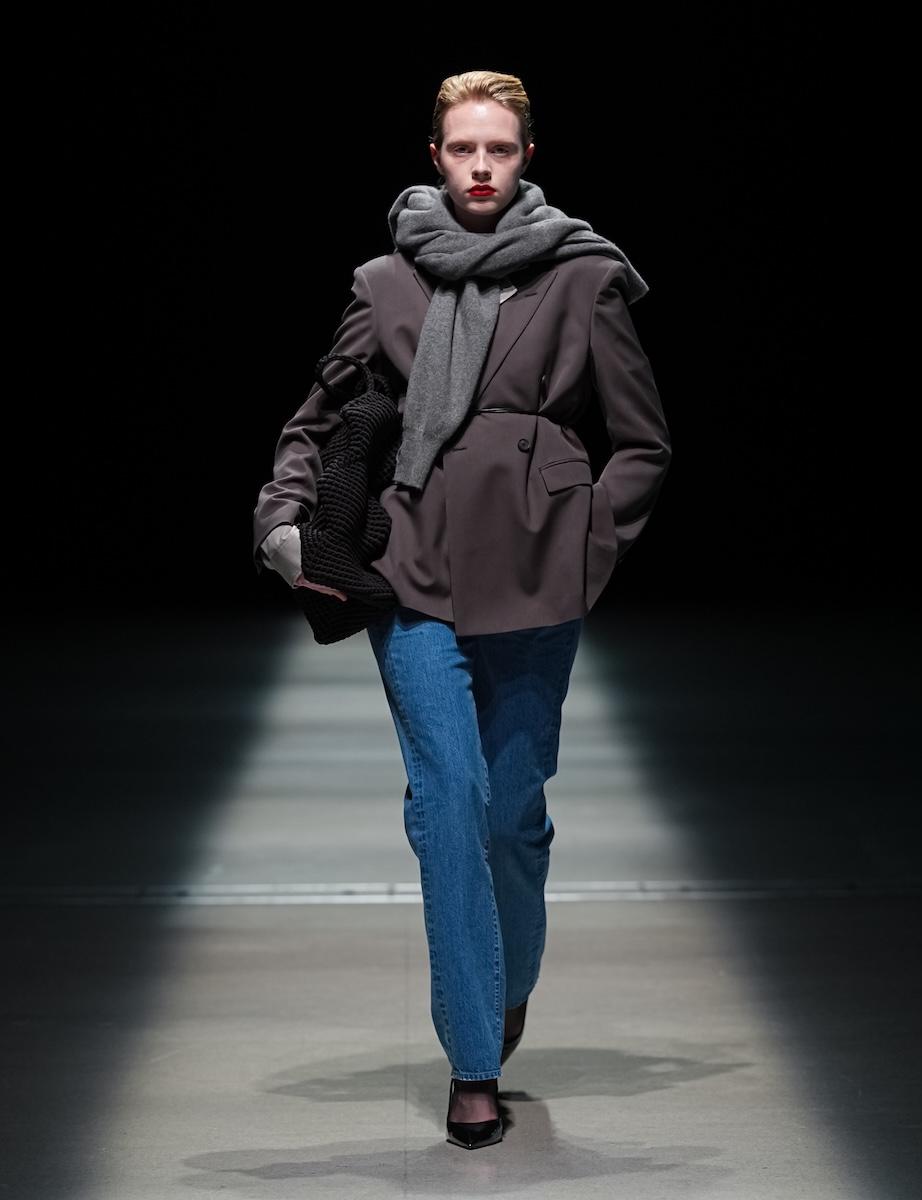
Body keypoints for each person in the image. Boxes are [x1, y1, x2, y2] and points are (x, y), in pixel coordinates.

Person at [252, 70, 672, 1149]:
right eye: (463, 148)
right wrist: (284, 519)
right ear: (434, 157)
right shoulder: (386, 283)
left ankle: (505, 977)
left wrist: (587, 545)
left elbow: (642, 442)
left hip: (537, 570)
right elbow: (318, 418)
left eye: (500, 148)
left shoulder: (582, 276)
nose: (481, 165)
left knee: (508, 814)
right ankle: (473, 1059)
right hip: (413, 565)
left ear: (528, 158)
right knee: (448, 798)